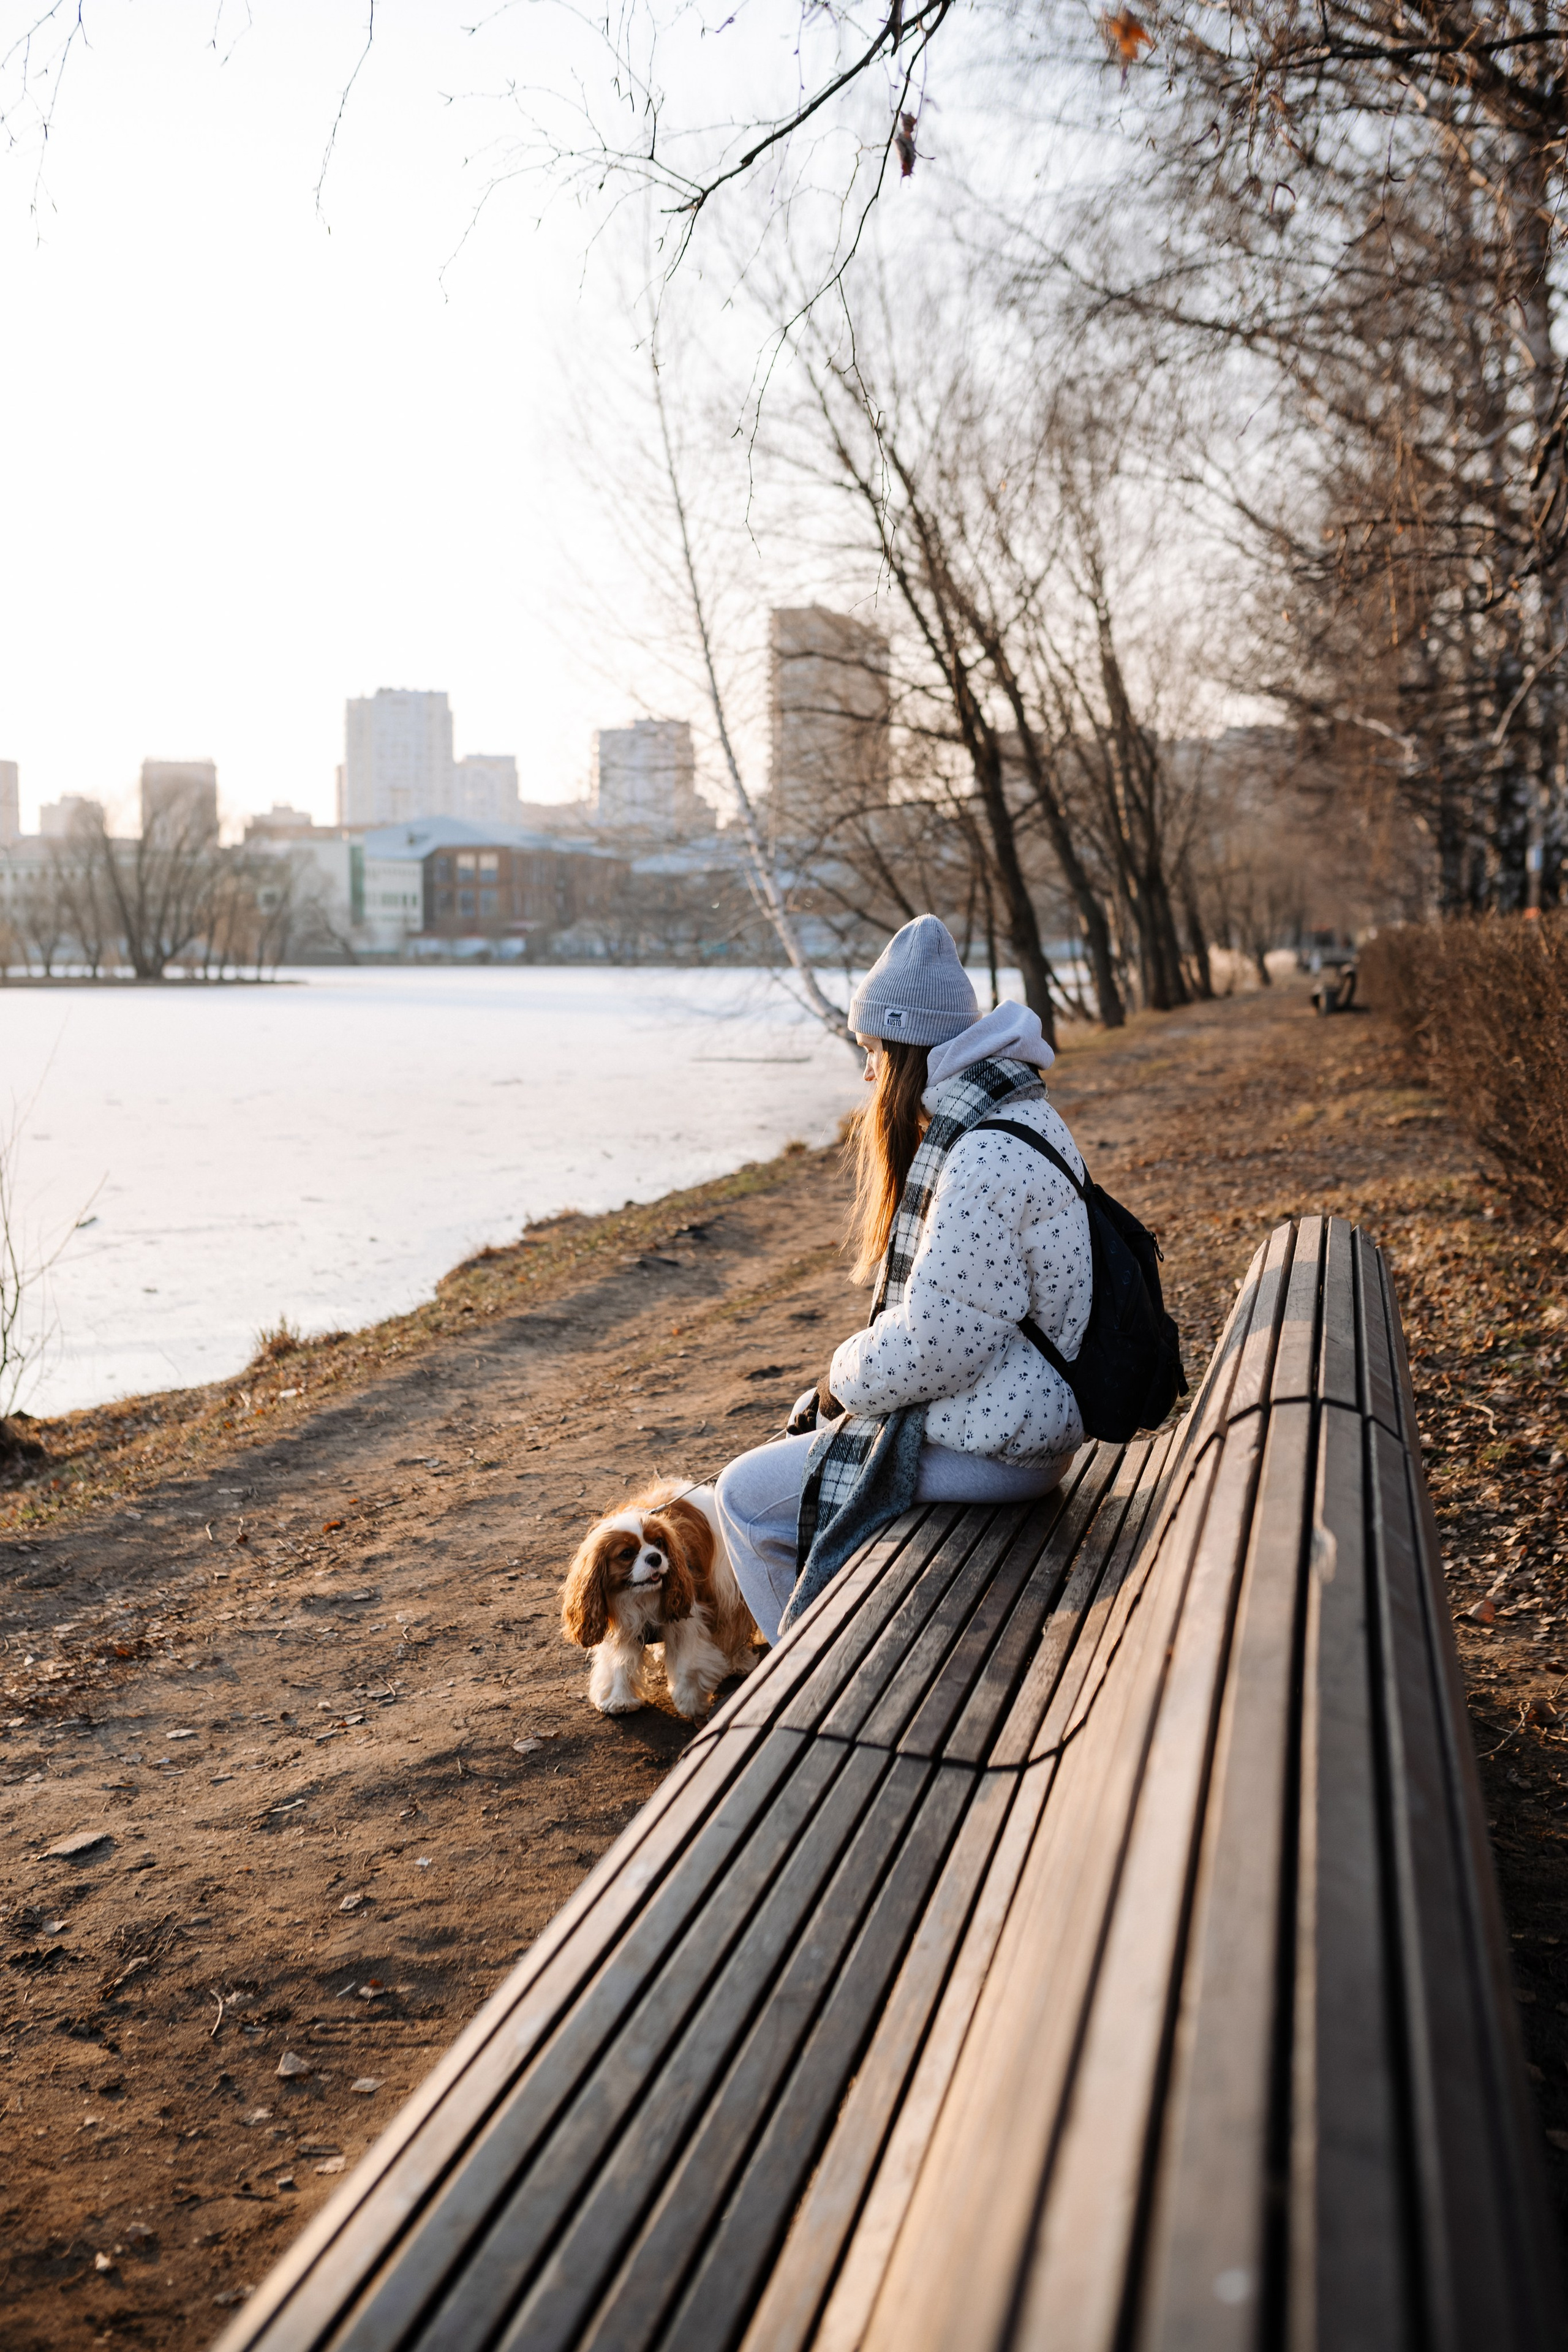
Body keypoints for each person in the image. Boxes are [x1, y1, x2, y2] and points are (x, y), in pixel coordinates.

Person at [714, 913, 1093, 1645]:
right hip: (1019, 1417)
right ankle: (832, 1648)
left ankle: (802, 1687)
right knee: (817, 1452)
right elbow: (958, 1319)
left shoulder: (979, 1153)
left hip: (1006, 1445)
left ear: (907, 1045)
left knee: (743, 1498)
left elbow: (938, 1341)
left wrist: (837, 1379)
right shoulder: (1011, 1110)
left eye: (871, 1050)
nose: (865, 1072)